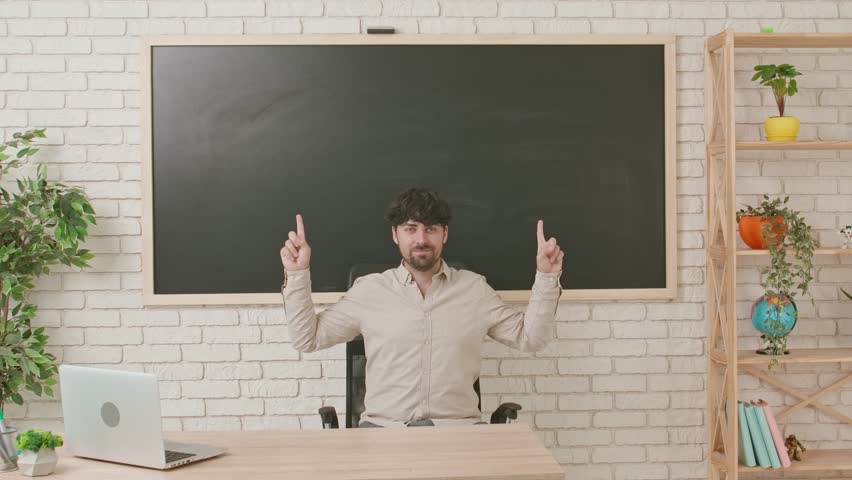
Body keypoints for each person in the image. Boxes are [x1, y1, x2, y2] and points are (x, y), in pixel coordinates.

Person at [280, 188, 563, 427]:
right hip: (384, 431)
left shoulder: (474, 289)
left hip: (459, 432)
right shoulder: (370, 290)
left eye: (431, 229)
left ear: (445, 234)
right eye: (410, 229)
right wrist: (297, 274)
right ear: (395, 234)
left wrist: (547, 277)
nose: (421, 239)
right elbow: (308, 338)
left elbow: (531, 338)